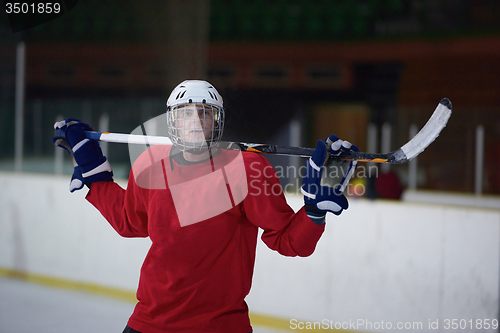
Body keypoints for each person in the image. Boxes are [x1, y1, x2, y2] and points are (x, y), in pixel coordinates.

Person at [52, 80, 358, 333]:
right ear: (172, 120)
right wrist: (96, 175)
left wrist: (313, 214)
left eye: (205, 113)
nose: (195, 121)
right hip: (149, 324)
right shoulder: (149, 164)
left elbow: (289, 241)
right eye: (186, 113)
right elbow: (130, 222)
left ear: (218, 121)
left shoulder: (248, 168)